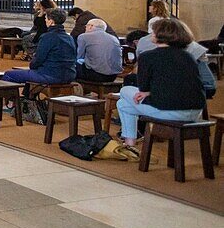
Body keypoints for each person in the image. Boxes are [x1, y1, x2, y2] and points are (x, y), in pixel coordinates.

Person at [116, 19, 207, 156]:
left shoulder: (148, 56)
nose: (151, 34)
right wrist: (148, 92)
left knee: (124, 90)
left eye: (154, 31)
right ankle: (129, 143)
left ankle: (130, 145)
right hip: (195, 111)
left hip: (169, 110)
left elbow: (142, 86)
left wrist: (146, 92)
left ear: (160, 35)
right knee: (122, 104)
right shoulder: (188, 56)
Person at [3, 8, 77, 88]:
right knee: (31, 72)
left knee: (8, 75)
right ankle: (28, 97)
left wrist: (32, 66)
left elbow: (38, 59)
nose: (45, 20)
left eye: (46, 18)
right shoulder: (69, 38)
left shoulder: (47, 37)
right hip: (70, 75)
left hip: (50, 75)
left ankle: (15, 99)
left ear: (51, 21)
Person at [75, 17, 123, 83]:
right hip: (113, 76)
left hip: (96, 75)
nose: (85, 28)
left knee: (70, 66)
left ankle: (77, 91)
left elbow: (79, 56)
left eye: (86, 26)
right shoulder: (113, 38)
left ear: (91, 26)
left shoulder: (83, 36)